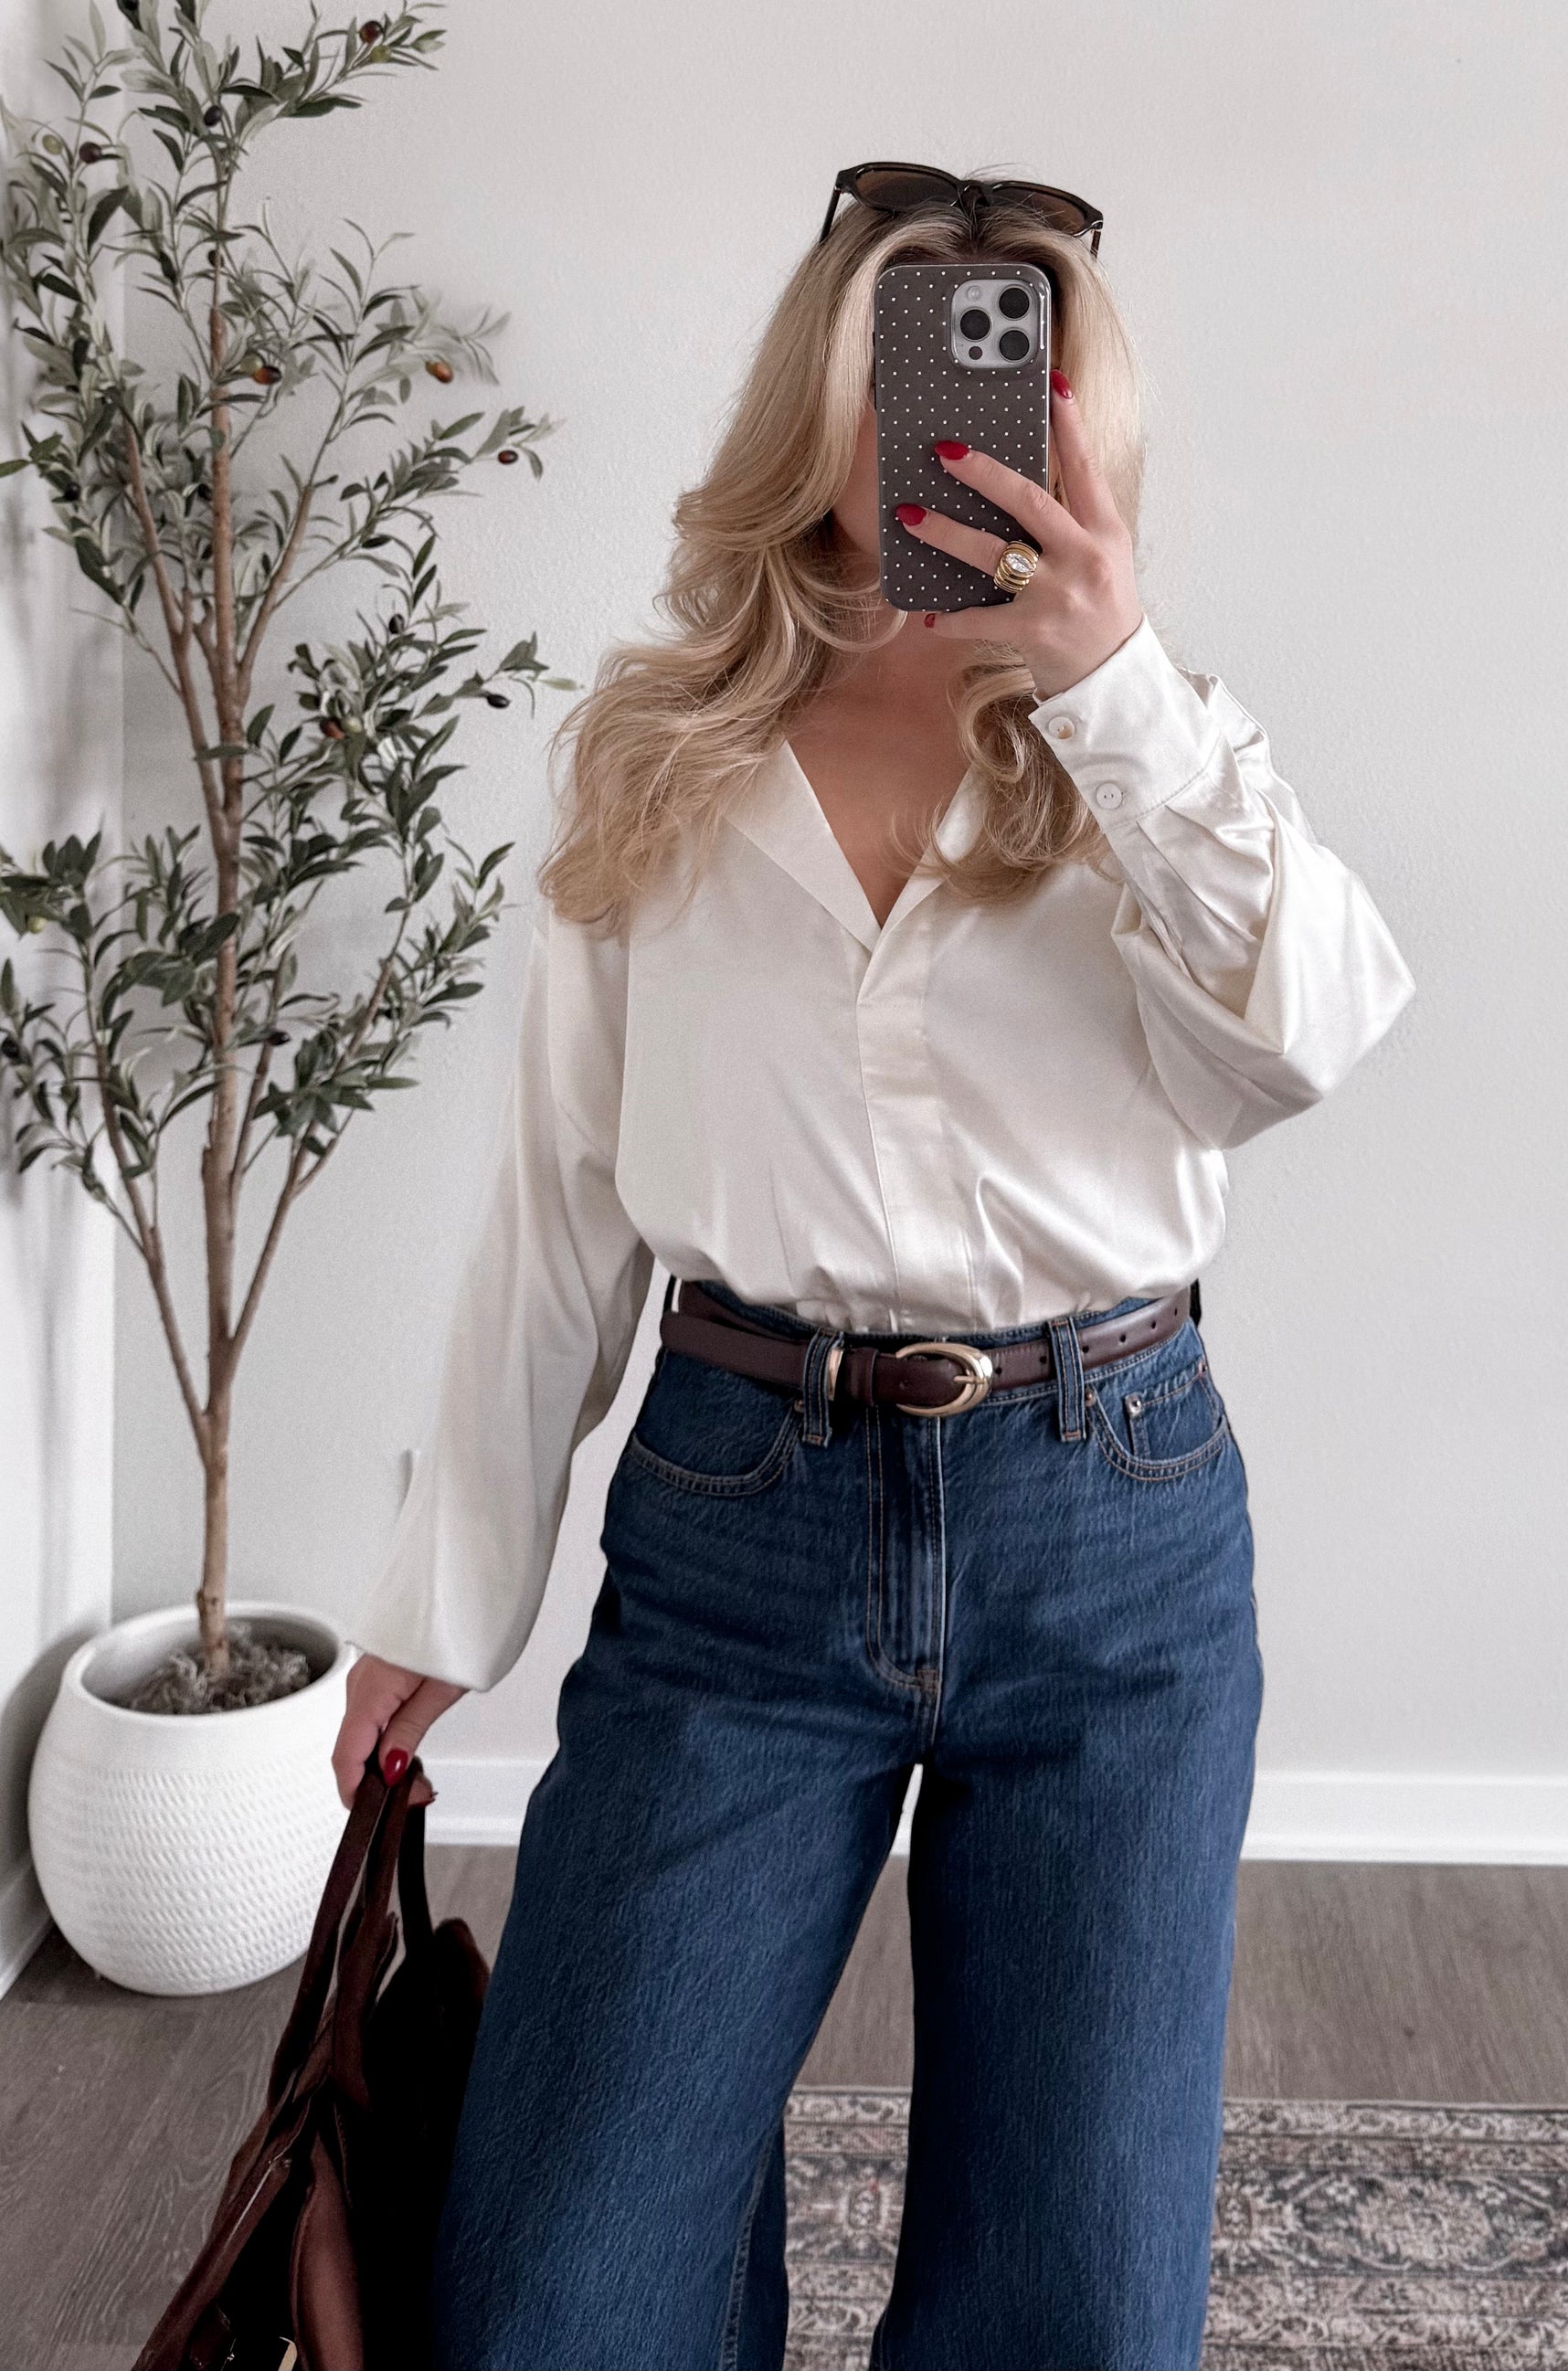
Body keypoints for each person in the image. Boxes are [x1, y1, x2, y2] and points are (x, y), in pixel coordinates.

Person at [334, 162, 1414, 2371]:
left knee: (1076, 2302)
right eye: (906, 367)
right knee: (558, 2300)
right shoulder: (663, 755)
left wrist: (1112, 685)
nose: (957, 422)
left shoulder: (1162, 764)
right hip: (740, 1519)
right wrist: (442, 1602)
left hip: (1108, 1525)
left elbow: (1310, 1034)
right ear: (818, 403)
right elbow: (559, 1200)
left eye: (1018, 373)